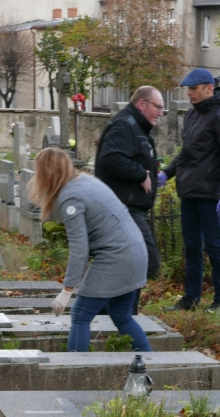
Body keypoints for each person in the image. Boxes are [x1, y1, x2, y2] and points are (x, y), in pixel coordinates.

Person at [30, 147, 151, 353]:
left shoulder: (71, 197)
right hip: (135, 251)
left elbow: (79, 247)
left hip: (116, 256)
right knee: (121, 314)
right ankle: (150, 363)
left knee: (80, 315)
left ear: (46, 174)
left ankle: (75, 373)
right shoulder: (84, 180)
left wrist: (67, 290)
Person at [161, 68, 220, 311]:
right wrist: (167, 172)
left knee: (213, 246)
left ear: (208, 88)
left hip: (210, 193)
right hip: (189, 190)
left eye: (193, 89)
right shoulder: (193, 116)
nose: (189, 93)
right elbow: (186, 153)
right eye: (188, 89)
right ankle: (190, 298)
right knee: (192, 246)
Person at [94, 85, 164, 314]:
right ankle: (115, 315)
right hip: (122, 208)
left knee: (133, 264)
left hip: (132, 207)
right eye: (158, 107)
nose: (161, 112)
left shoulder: (137, 127)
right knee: (145, 261)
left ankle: (118, 315)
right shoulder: (125, 125)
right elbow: (110, 158)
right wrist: (140, 173)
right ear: (142, 104)